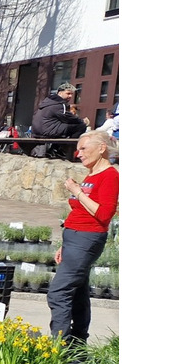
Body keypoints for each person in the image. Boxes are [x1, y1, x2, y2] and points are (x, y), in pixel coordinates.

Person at [47, 130, 119, 345]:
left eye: (84, 148)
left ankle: (60, 349)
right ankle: (78, 348)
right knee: (77, 293)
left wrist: (77, 191)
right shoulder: (92, 174)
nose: (78, 154)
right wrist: (64, 245)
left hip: (87, 239)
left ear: (101, 148)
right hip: (75, 240)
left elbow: (105, 214)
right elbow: (80, 212)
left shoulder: (110, 176)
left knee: (58, 292)